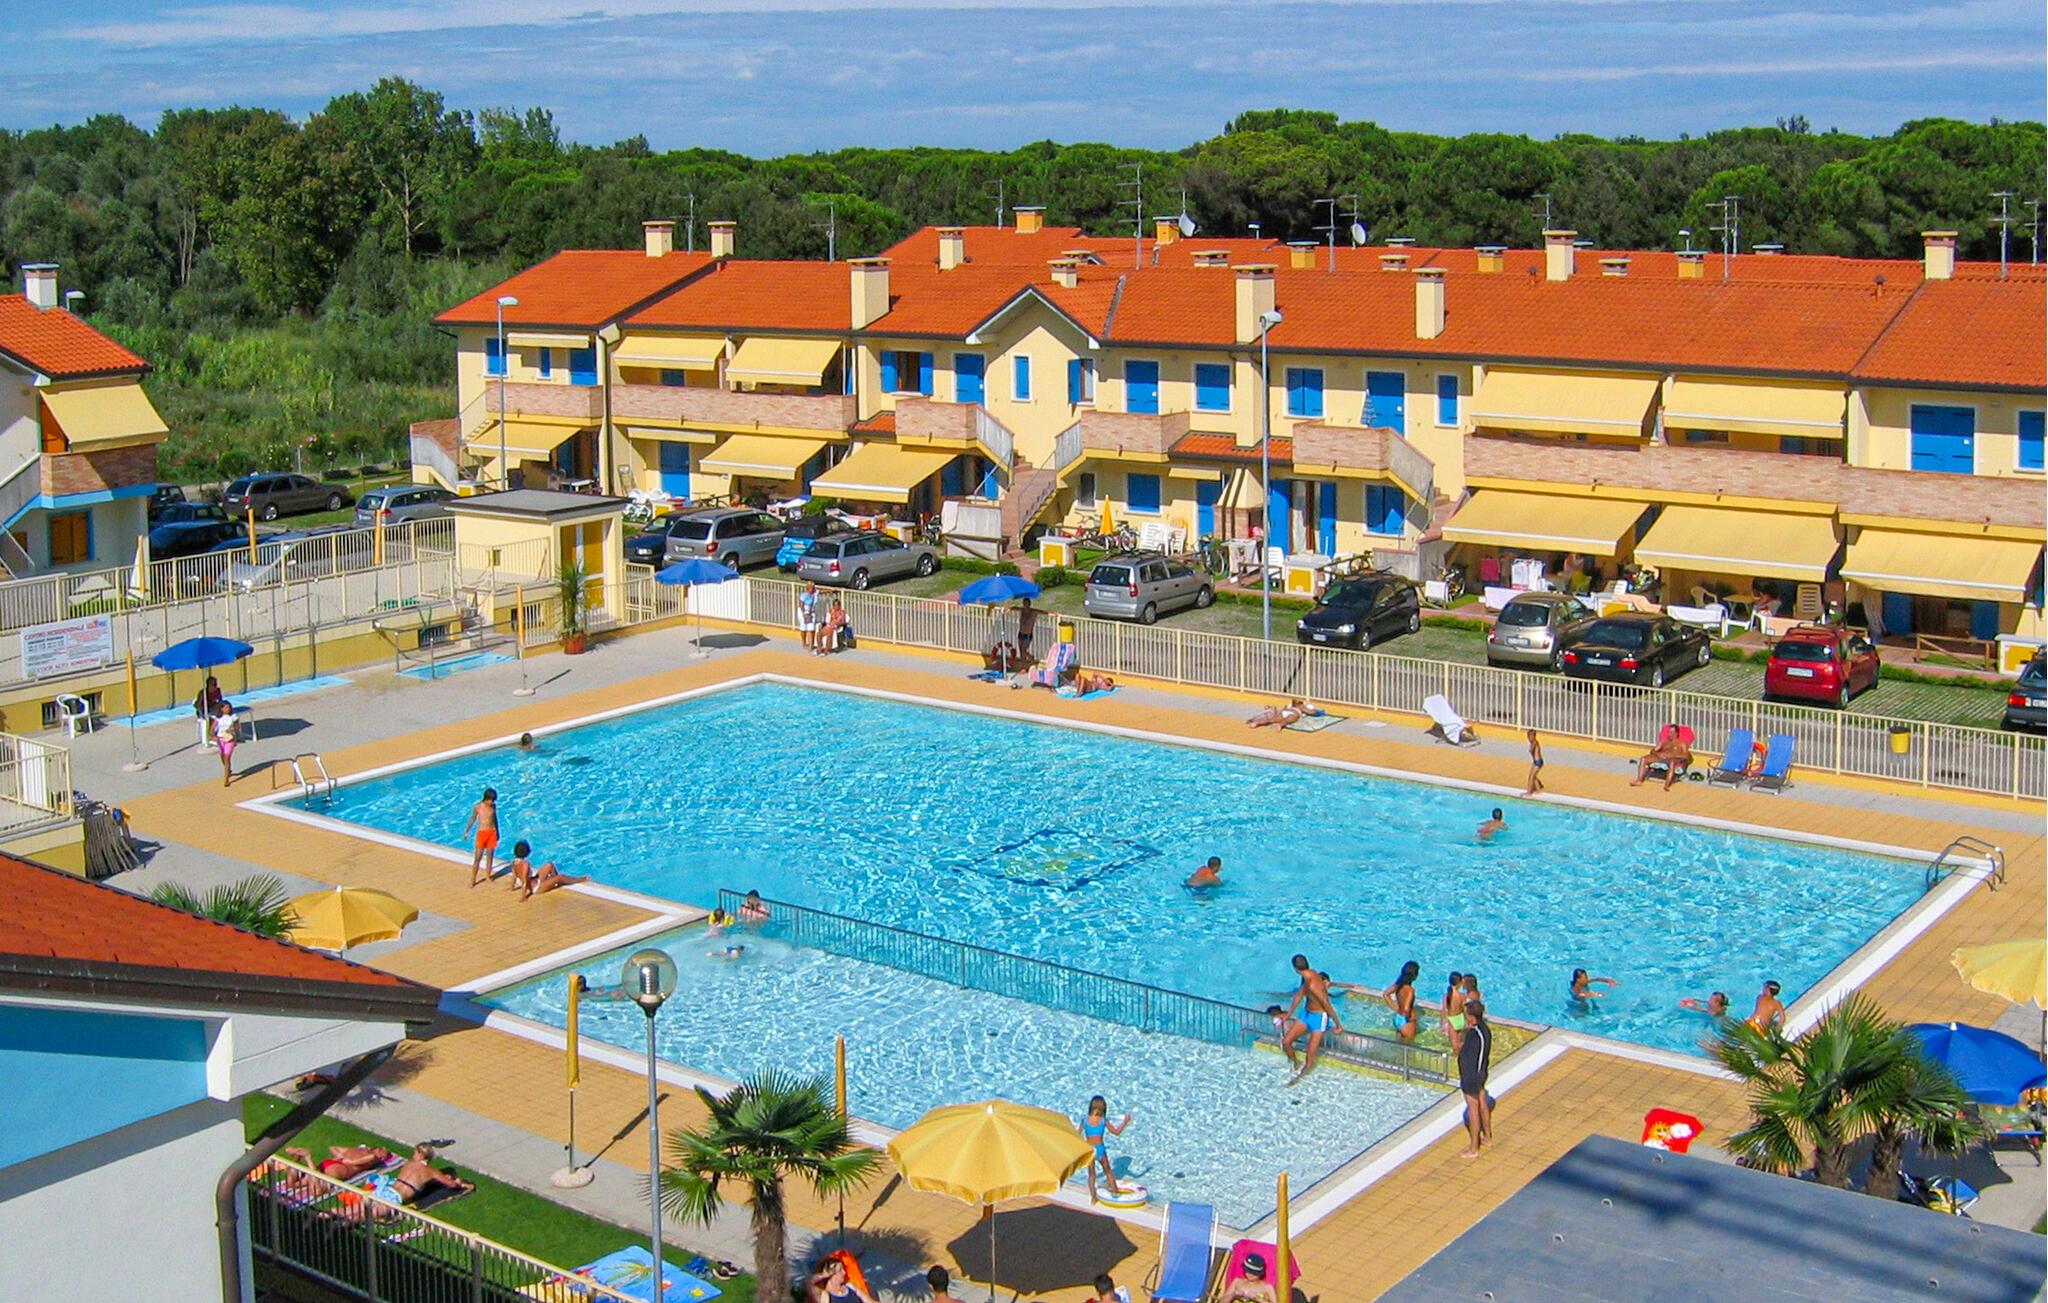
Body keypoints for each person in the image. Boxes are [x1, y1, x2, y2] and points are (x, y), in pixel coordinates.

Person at [1282, 954, 1343, 1082]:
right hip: (1306, 1014)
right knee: (1286, 1042)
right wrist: (1289, 1014)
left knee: (1310, 1055)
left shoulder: (1313, 985)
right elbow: (1299, 995)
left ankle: (1299, 1078)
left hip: (1319, 1018)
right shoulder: (1308, 976)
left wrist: (1338, 1025)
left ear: (1294, 968)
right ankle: (1295, 1062)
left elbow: (1327, 1005)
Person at [1457, 998, 1495, 1158]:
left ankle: (1474, 1148)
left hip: (1472, 1076)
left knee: (1473, 1109)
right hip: (1480, 1073)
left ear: (1472, 1017)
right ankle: (1487, 1137)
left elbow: (1463, 1050)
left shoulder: (1474, 1034)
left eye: (1466, 1015)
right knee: (1482, 1102)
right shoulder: (1484, 1029)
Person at [1079, 1095, 1133, 1202]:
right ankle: (1115, 1193)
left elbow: (1076, 1134)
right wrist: (1125, 1122)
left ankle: (1093, 1197)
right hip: (1100, 1149)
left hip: (1089, 1150)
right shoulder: (1103, 1121)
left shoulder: (1084, 1120)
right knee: (1108, 1171)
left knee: (1092, 1175)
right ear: (1103, 1108)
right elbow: (1116, 1132)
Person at [507, 839, 587, 899]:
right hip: (536, 888)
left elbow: (514, 876)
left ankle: (555, 881)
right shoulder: (525, 864)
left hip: (534, 881)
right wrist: (523, 897)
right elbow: (524, 881)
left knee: (549, 864)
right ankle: (578, 879)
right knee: (561, 877)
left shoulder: (514, 862)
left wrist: (511, 888)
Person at [282, 1143, 394, 1181]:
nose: (382, 1158)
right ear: (377, 1149)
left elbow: (333, 1148)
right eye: (382, 1153)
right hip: (341, 1168)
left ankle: (296, 1159)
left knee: (298, 1183)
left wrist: (340, 1156)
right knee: (316, 1178)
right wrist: (346, 1159)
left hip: (333, 1164)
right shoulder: (371, 1156)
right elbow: (354, 1161)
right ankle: (307, 1157)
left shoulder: (357, 1151)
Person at [1630, 725, 1693, 790]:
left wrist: (1673, 756)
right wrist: (1658, 754)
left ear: (1677, 733)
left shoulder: (1681, 743)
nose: (1669, 734)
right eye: (1668, 732)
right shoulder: (1664, 742)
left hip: (1672, 759)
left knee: (1672, 763)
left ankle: (1666, 785)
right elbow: (1653, 750)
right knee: (1643, 759)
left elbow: (1686, 755)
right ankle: (1639, 781)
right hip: (1660, 757)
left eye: (1671, 732)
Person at [464, 788, 500, 886]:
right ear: (486, 798)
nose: (492, 802)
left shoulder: (493, 807)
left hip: (491, 833)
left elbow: (495, 819)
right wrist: (467, 831)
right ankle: (473, 879)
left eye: (493, 801)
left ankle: (488, 876)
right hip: (482, 833)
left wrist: (497, 831)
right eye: (491, 800)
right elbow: (472, 819)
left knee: (490, 857)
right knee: (477, 858)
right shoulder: (478, 807)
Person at [1382, 959, 1421, 1043]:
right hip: (1407, 1022)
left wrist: (1396, 1008)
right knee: (1408, 1047)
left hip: (1398, 1018)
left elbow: (1385, 994)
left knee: (1398, 1045)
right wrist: (1411, 1018)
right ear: (1414, 976)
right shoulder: (1410, 990)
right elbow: (1406, 1009)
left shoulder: (1398, 985)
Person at [809, 1254, 875, 1303]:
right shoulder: (825, 1296)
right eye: (840, 1270)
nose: (844, 1272)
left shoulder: (850, 1287)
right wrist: (823, 1275)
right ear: (831, 1275)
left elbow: (871, 1302)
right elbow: (810, 1283)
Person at [212, 700, 239, 788]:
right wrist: (213, 736)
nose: (228, 709)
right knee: (222, 757)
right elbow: (213, 728)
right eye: (226, 707)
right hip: (221, 739)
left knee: (227, 758)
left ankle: (226, 780)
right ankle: (228, 770)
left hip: (230, 739)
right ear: (221, 709)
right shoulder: (218, 718)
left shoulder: (233, 717)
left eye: (229, 707)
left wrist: (232, 730)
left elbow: (237, 726)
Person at [1246, 698, 1316, 729]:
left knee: (1272, 719)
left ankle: (1255, 722)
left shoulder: (1296, 706)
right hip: (1292, 713)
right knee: (1284, 719)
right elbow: (1313, 712)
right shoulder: (1302, 707)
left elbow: (1313, 712)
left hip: (1288, 712)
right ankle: (1280, 725)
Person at [798, 580, 822, 652]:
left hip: (812, 612)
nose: (813, 588)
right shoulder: (804, 595)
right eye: (811, 587)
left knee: (811, 629)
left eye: (813, 587)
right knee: (803, 629)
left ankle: (811, 645)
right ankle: (804, 642)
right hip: (803, 612)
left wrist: (832, 590)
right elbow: (801, 605)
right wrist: (804, 614)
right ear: (808, 588)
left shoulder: (815, 593)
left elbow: (822, 591)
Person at [1523, 729, 1545, 796]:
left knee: (1532, 777)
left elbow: (1532, 749)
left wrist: (1531, 748)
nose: (1529, 738)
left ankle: (1529, 792)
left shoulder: (1535, 742)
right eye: (1528, 736)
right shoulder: (1532, 742)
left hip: (1538, 762)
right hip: (1535, 762)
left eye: (1530, 736)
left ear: (1534, 736)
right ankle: (1538, 790)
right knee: (1532, 776)